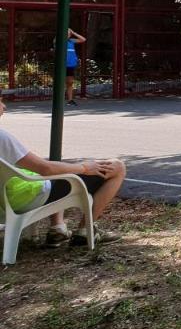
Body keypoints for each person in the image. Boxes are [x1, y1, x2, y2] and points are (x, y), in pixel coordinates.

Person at [1, 99, 127, 247]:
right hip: (24, 199)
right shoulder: (2, 137)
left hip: (5, 202)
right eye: (0, 101)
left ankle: (58, 228)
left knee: (57, 170)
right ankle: (85, 231)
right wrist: (85, 168)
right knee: (117, 167)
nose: (4, 106)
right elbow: (45, 169)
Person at [64, 28, 85, 107]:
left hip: (70, 65)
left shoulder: (71, 41)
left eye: (69, 33)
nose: (68, 34)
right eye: (66, 33)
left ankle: (70, 100)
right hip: (62, 65)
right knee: (61, 83)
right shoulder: (58, 40)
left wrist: (74, 32)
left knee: (70, 82)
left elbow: (83, 39)